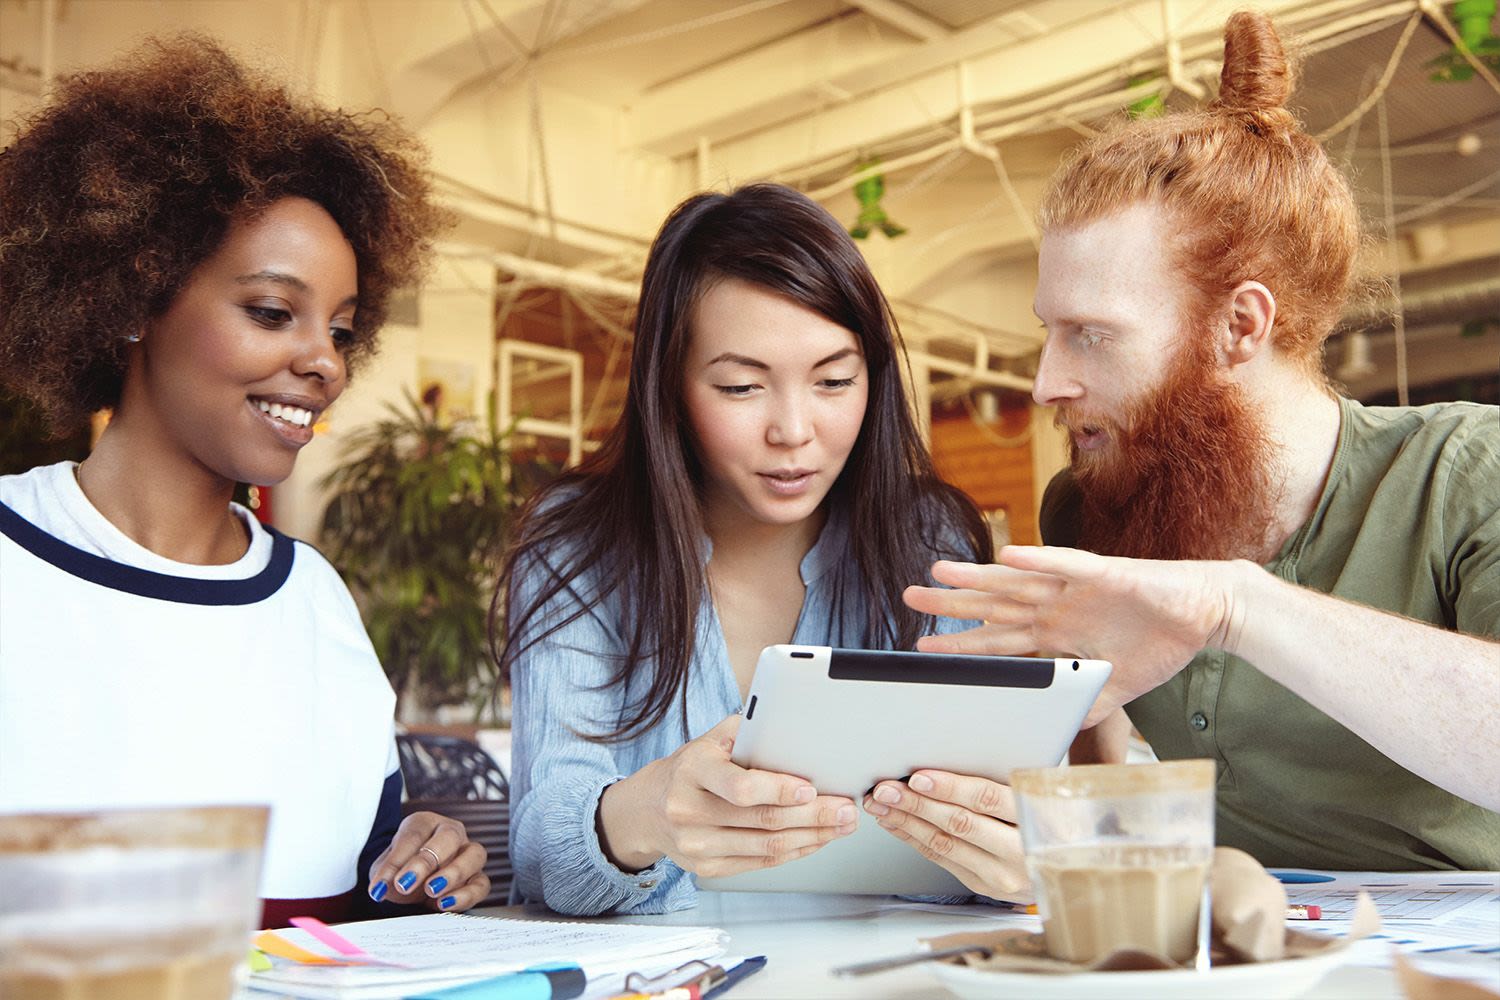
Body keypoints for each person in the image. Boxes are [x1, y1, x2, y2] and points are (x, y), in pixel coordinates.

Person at [864, 9, 1500, 894]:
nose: (1046, 383)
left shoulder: (1466, 470)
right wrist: (1052, 842)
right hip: (1216, 941)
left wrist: (1232, 605)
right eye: (1050, 332)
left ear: (1240, 326)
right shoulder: (1093, 502)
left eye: (1091, 336)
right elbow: (1093, 771)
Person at [0, 36, 491, 925]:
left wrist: (421, 863)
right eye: (273, 312)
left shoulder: (315, 601)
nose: (325, 365)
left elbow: (360, 906)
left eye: (341, 331)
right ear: (134, 298)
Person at [496, 183, 994, 916]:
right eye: (740, 387)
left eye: (833, 381)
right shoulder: (579, 547)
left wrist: (1011, 859)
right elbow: (543, 856)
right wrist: (647, 812)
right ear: (669, 387)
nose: (793, 430)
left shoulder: (931, 545)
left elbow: (983, 854)